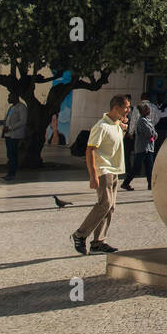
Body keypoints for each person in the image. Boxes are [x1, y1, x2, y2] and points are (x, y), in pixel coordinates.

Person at [71, 94, 131, 255]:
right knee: (105, 204)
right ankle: (80, 235)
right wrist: (93, 175)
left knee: (110, 207)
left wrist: (123, 128)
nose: (128, 110)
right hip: (103, 170)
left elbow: (114, 144)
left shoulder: (117, 124)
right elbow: (90, 150)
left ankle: (98, 242)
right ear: (116, 108)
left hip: (115, 170)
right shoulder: (101, 126)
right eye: (126, 107)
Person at [123, 101, 157, 190]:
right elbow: (149, 133)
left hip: (148, 148)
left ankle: (150, 184)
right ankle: (126, 183)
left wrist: (154, 134)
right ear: (144, 111)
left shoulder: (147, 120)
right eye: (148, 109)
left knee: (149, 167)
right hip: (142, 148)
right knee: (137, 167)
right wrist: (154, 134)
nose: (150, 111)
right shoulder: (142, 121)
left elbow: (153, 133)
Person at [2, 93, 28, 182]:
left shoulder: (22, 107)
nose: (8, 98)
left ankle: (12, 173)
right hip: (8, 135)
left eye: (10, 96)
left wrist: (10, 128)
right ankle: (10, 172)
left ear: (15, 97)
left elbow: (23, 121)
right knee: (9, 154)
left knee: (13, 154)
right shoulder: (11, 107)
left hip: (15, 135)